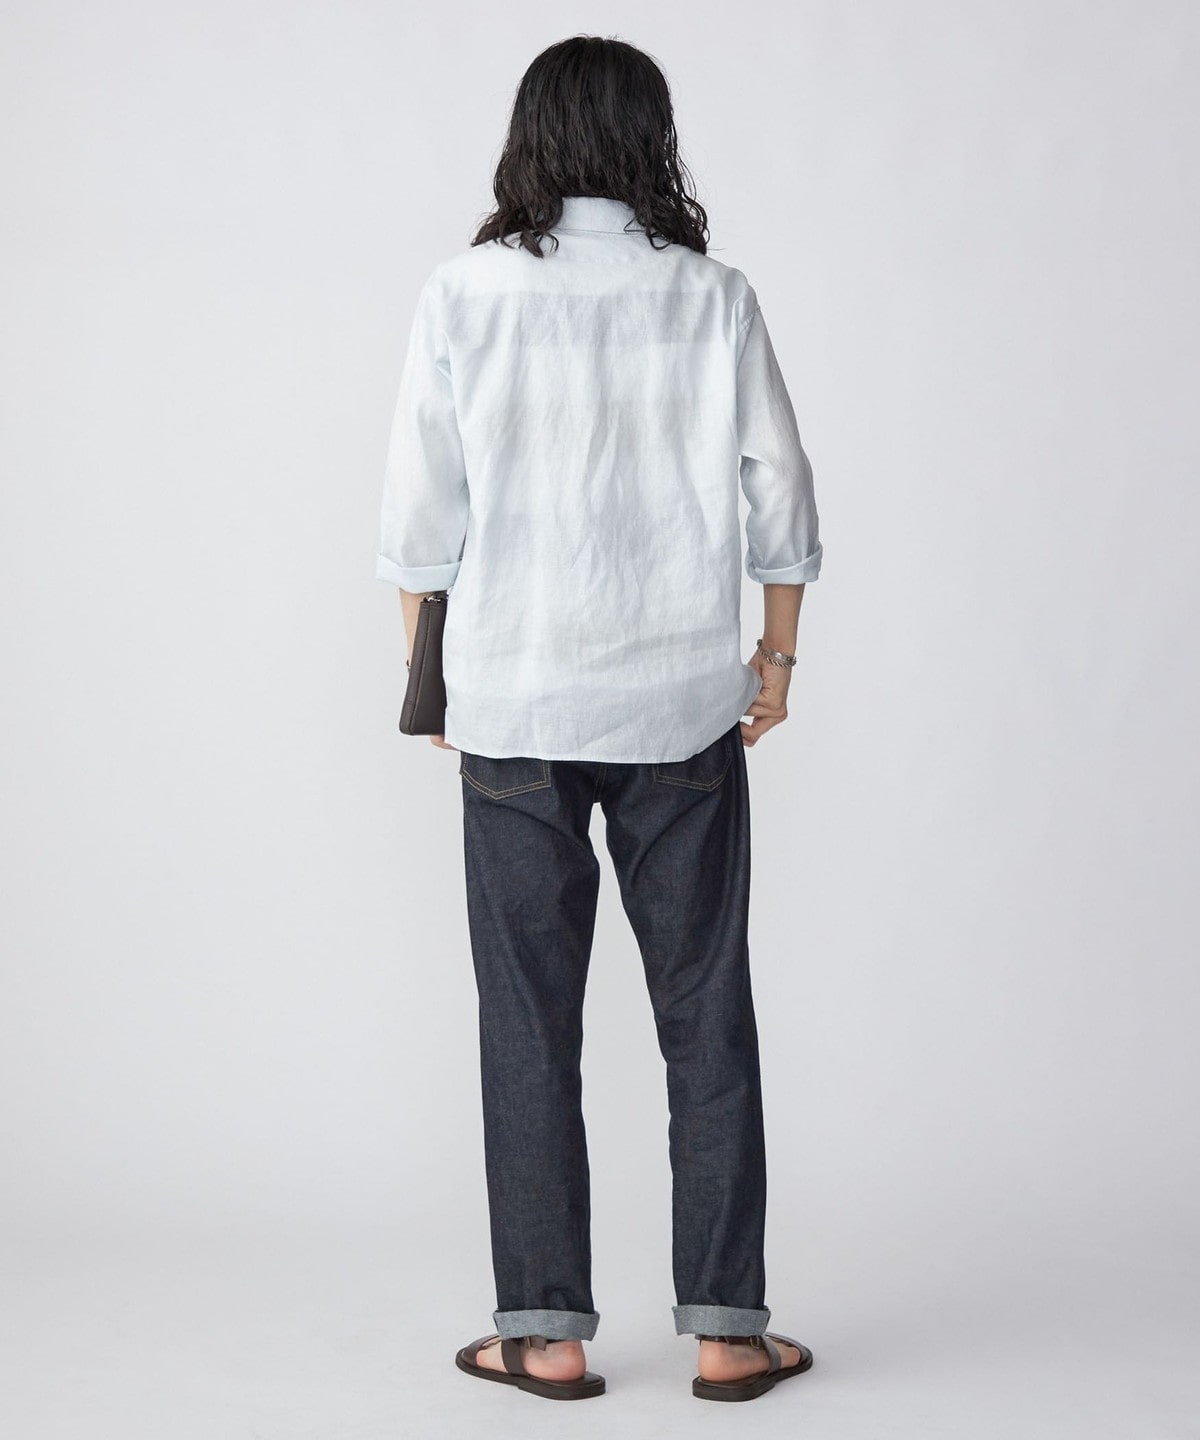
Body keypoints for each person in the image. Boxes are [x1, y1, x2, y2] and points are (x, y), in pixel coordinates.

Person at [376, 34, 822, 1403]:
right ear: (651, 141)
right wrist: (776, 662)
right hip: (680, 706)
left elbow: (419, 515)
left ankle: (547, 1331)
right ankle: (730, 1332)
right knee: (706, 1011)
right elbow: (781, 486)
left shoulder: (465, 293)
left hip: (514, 697)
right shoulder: (713, 295)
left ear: (531, 139)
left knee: (526, 1020)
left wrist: (431, 676)